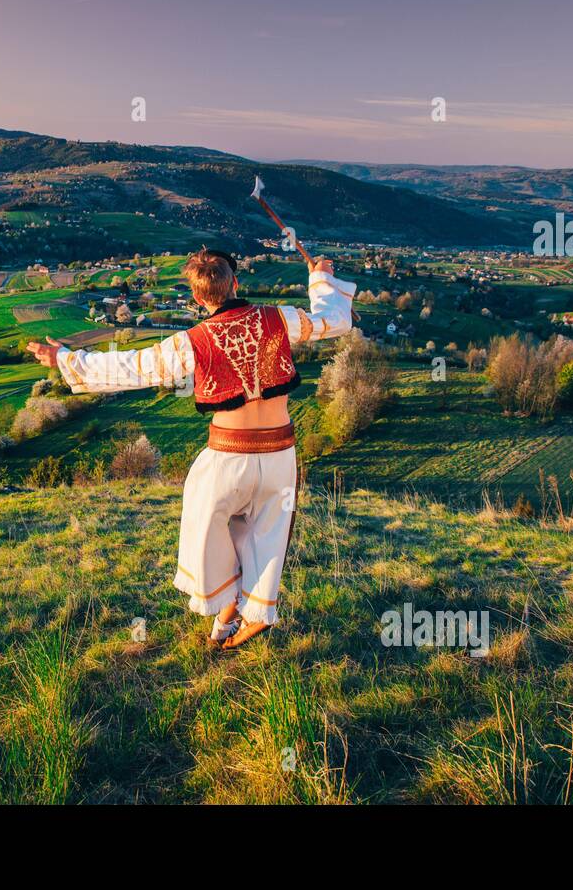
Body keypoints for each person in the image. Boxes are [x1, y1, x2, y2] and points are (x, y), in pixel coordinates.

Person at [28, 248, 356, 648]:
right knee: (265, 534)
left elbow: (132, 368)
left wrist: (65, 358)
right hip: (279, 456)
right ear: (236, 283)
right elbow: (335, 321)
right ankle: (245, 612)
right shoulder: (278, 318)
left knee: (205, 531)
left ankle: (230, 609)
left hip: (228, 457)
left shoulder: (192, 341)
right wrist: (320, 278)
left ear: (198, 299)